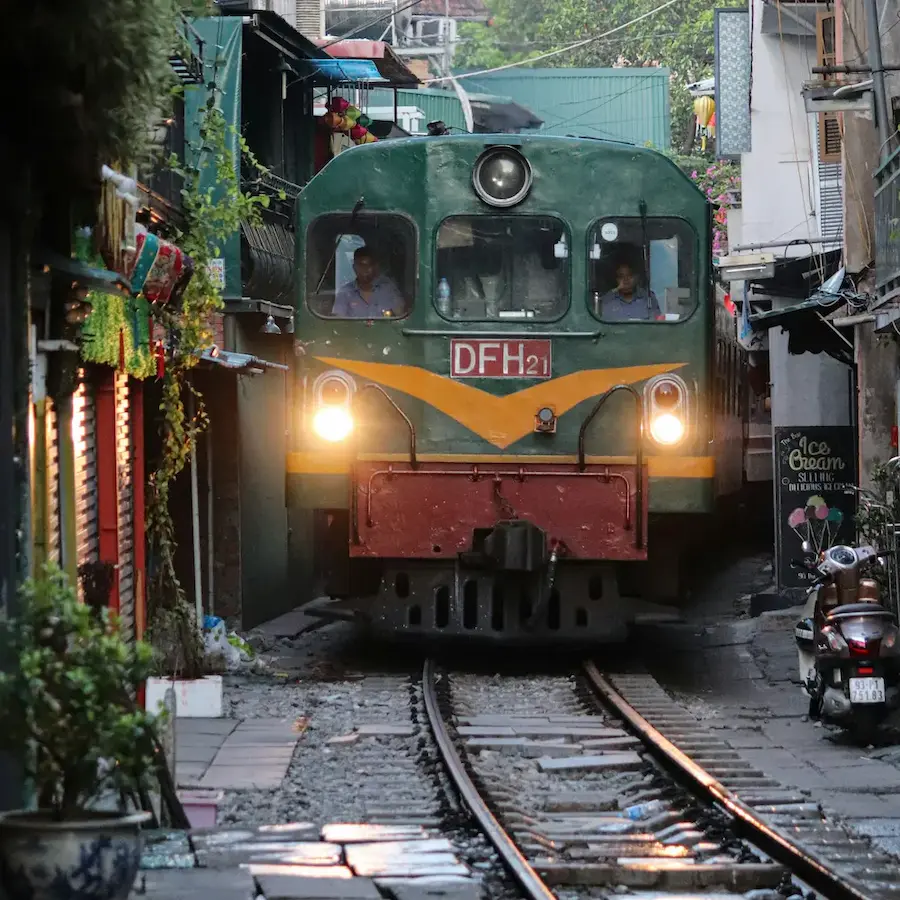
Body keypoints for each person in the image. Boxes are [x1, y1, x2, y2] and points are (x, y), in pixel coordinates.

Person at [333, 247, 405, 318]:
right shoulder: (344, 293)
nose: (365, 269)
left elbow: (402, 317)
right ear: (354, 267)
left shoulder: (388, 290)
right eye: (361, 265)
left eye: (369, 265)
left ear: (375, 267)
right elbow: (339, 322)